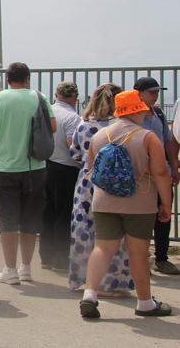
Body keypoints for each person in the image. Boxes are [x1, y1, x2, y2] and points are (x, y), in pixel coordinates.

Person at [79, 90, 173, 318]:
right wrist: (166, 205)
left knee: (103, 248)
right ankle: (145, 303)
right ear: (139, 110)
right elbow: (161, 173)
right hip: (140, 204)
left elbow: (92, 169)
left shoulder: (101, 136)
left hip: (105, 201)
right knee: (138, 253)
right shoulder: (148, 137)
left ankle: (89, 295)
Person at [0, 62, 56, 285]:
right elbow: (52, 126)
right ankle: (26, 268)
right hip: (35, 168)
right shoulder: (39, 97)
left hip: (6, 167)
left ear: (8, 80)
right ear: (27, 78)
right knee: (30, 220)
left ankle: (10, 270)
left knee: (8, 220)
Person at [68, 83, 133, 296]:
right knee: (114, 233)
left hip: (87, 183)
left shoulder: (83, 126)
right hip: (114, 185)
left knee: (85, 231)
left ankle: (86, 279)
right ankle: (113, 282)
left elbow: (75, 154)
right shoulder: (121, 127)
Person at [133, 77, 180, 276]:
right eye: (152, 92)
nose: (156, 95)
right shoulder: (132, 116)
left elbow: (168, 140)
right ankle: (140, 259)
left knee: (164, 215)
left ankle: (161, 258)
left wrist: (175, 166)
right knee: (141, 217)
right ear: (139, 92)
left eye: (157, 92)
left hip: (162, 174)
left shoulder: (158, 114)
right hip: (141, 175)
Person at [40, 82, 81, 272]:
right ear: (75, 97)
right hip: (66, 169)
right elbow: (74, 147)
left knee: (47, 213)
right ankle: (60, 258)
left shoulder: (47, 113)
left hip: (44, 165)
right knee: (64, 215)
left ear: (56, 94)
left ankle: (45, 257)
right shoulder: (73, 118)